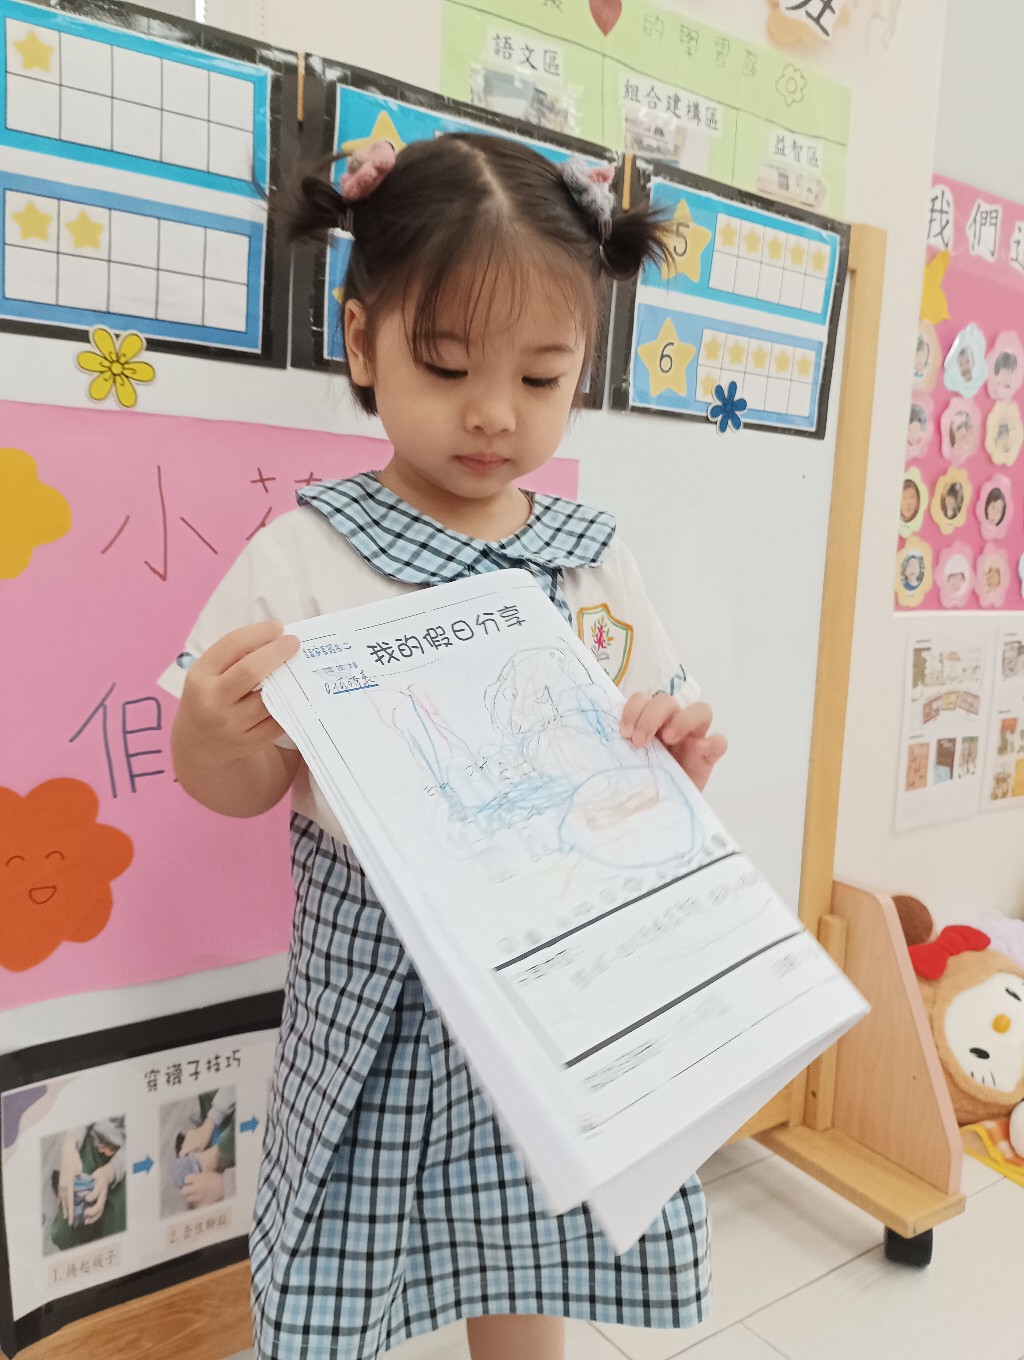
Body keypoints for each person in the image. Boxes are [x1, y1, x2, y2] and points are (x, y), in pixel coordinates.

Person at [163, 135, 727, 1360]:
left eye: (540, 375)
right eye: (447, 364)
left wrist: (670, 756)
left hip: (548, 969)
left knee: (528, 1222)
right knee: (342, 1245)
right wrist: (209, 733)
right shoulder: (303, 555)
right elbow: (241, 783)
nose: (492, 412)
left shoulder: (590, 560)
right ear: (363, 341)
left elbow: (652, 754)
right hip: (371, 978)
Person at [51, 1118, 127, 1251]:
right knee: (62, 1235)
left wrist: (111, 1172)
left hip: (123, 1162)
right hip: (92, 1142)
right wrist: (70, 1146)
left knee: (119, 1240)